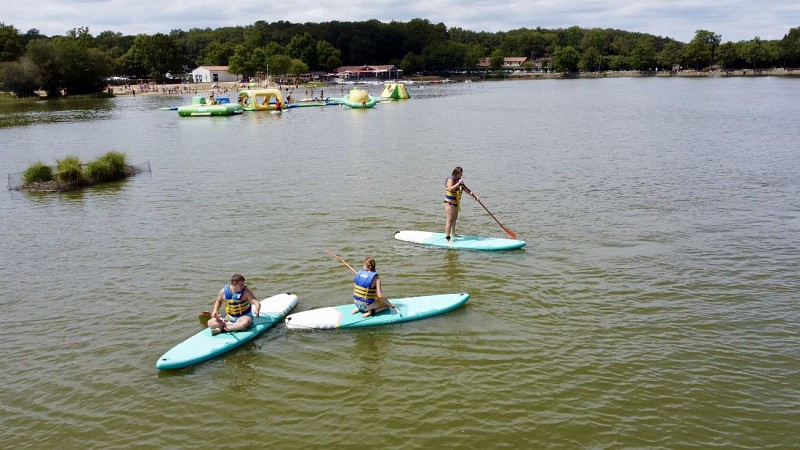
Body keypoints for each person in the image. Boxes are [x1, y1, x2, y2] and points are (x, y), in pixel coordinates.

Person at [444, 166, 478, 242]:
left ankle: (453, 234)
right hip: (449, 203)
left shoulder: (459, 180)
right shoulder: (451, 179)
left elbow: (466, 189)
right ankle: (447, 238)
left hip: (456, 203)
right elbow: (450, 188)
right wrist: (458, 184)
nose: (461, 175)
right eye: (461, 173)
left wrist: (474, 196)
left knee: (454, 219)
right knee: (450, 220)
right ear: (456, 173)